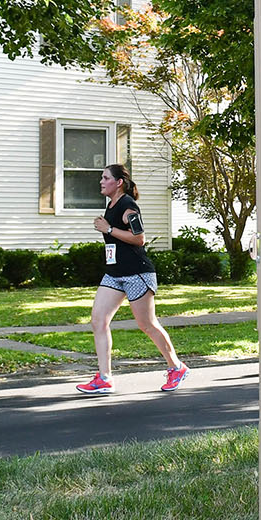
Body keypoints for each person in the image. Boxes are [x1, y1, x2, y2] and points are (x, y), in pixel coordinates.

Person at [75, 165, 189, 395]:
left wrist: (108, 229)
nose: (101, 181)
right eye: (101, 177)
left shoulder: (128, 205)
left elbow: (139, 238)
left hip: (137, 273)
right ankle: (104, 378)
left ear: (118, 182)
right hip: (115, 274)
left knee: (147, 324)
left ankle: (176, 367)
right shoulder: (111, 205)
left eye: (105, 178)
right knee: (98, 320)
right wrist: (109, 229)